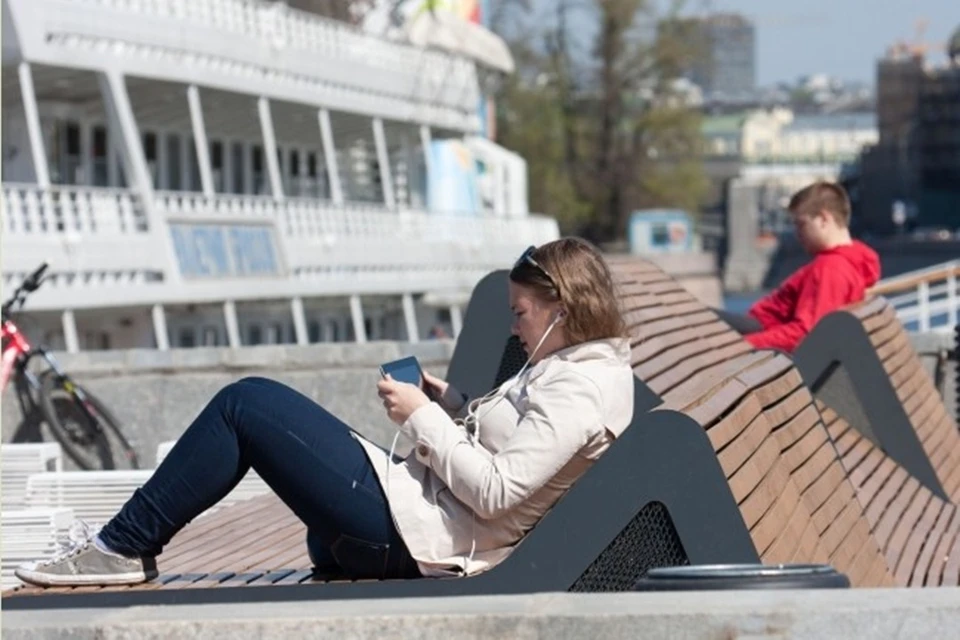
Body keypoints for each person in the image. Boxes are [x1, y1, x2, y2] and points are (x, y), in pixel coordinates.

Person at [16, 238, 635, 587]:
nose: (515, 327)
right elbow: (519, 450)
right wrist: (448, 400)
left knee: (246, 404)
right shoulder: (576, 368)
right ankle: (122, 543)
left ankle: (121, 546)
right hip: (415, 520)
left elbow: (499, 492)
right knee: (258, 415)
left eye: (521, 312)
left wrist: (420, 416)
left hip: (418, 538)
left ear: (562, 308)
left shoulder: (579, 387)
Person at [716, 181, 880, 353]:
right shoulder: (849, 262)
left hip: (764, 335)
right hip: (764, 331)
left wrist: (742, 345)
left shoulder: (830, 268)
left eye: (801, 224)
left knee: (699, 319)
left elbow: (805, 333)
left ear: (823, 219)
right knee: (702, 317)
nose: (797, 234)